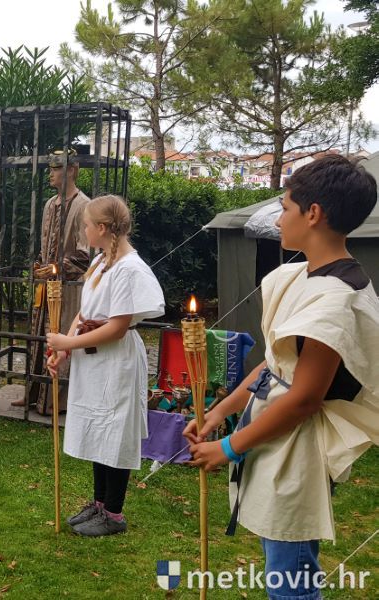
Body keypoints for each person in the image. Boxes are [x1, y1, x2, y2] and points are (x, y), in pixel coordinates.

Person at [184, 155, 379, 599]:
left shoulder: (336, 297)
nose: (278, 219)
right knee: (282, 562)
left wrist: (228, 447)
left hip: (297, 446)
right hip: (277, 434)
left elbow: (305, 397)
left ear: (314, 214)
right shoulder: (301, 276)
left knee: (291, 577)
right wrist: (219, 412)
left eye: (286, 207)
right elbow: (274, 366)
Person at [47, 194, 165, 536]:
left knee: (115, 431)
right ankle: (99, 504)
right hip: (94, 360)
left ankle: (114, 513)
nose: (83, 231)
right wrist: (65, 350)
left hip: (117, 361)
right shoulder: (101, 261)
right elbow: (85, 313)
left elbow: (116, 327)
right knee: (99, 430)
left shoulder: (129, 268)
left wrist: (69, 343)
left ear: (102, 228)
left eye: (86, 225)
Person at [20, 149, 91, 414]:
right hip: (47, 285)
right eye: (50, 168)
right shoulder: (50, 204)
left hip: (68, 287)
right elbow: (45, 244)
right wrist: (41, 265)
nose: (50, 173)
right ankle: (34, 393)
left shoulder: (84, 205)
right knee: (39, 336)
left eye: (56, 168)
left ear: (71, 170)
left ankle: (55, 400)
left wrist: (57, 268)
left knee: (61, 336)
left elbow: (85, 255)